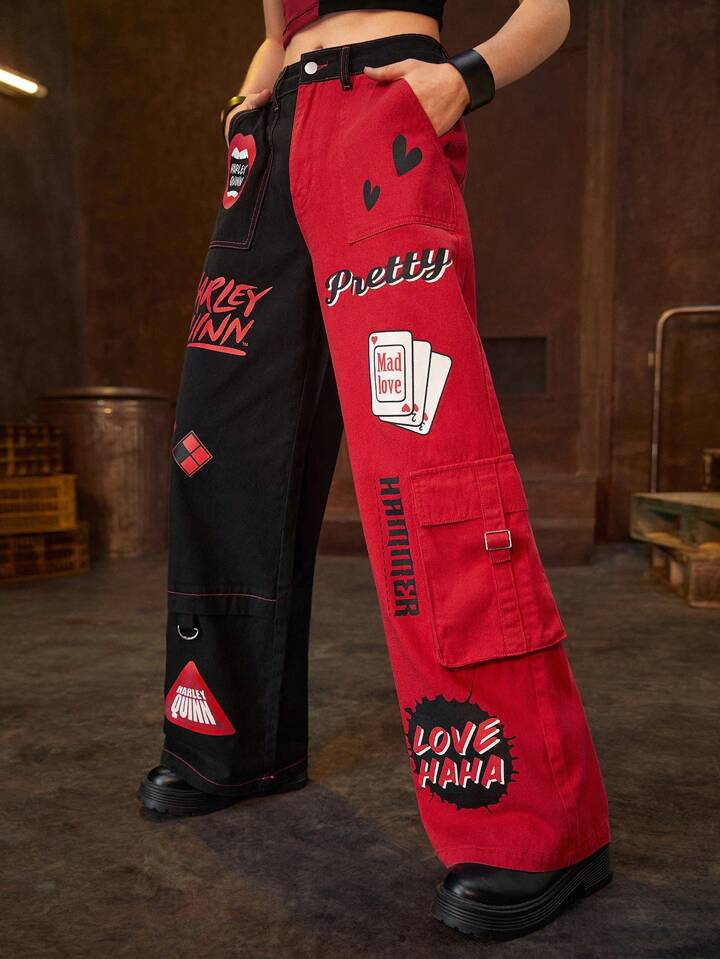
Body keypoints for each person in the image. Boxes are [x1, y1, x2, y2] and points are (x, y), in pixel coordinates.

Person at [138, 0, 612, 940]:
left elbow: (553, 8)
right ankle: (229, 744)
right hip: (272, 144)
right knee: (217, 448)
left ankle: (538, 828)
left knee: (423, 447)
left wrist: (464, 79)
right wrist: (248, 106)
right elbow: (277, 33)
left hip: (381, 112)